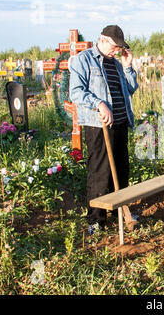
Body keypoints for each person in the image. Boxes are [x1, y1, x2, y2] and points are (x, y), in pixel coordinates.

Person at [69, 25, 138, 233]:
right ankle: (96, 220)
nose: (117, 51)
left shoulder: (116, 64)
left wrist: (127, 66)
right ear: (103, 40)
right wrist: (99, 103)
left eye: (119, 48)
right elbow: (76, 92)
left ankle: (122, 211)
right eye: (115, 47)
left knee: (121, 169)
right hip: (98, 124)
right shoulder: (84, 60)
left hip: (119, 122)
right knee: (100, 172)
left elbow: (130, 89)